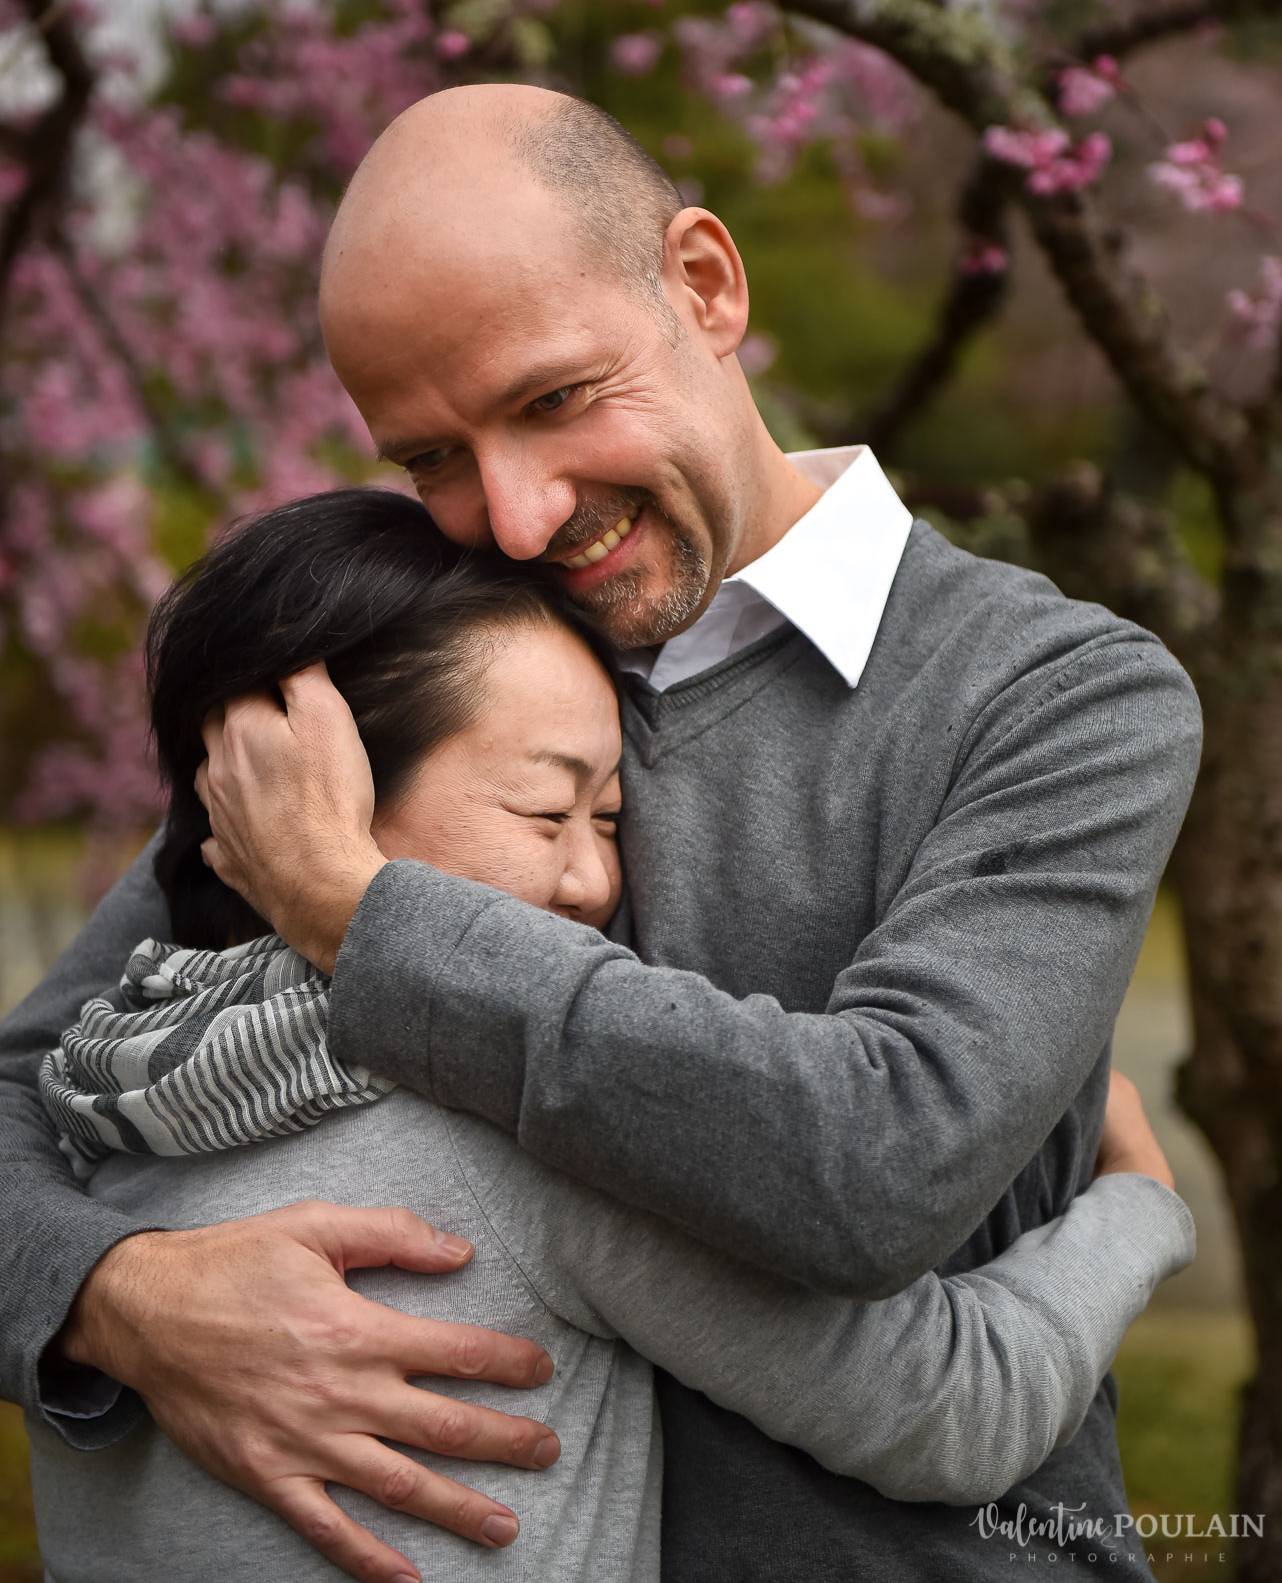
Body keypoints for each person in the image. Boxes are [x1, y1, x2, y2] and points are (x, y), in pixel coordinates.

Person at [0, 85, 1204, 1583]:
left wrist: (363, 919)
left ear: (703, 288)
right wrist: (113, 1293)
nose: (511, 517)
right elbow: (20, 1088)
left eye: (554, 399)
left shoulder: (1052, 696)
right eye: (430, 457)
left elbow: (874, 1168)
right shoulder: (420, 655)